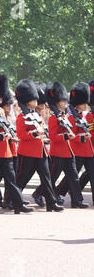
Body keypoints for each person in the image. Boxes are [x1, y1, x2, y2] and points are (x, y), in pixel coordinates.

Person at [0, 74, 33, 214]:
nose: (1, 98)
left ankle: (18, 204)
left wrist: (10, 135)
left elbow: (4, 126)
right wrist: (1, 136)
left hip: (5, 151)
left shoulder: (1, 110)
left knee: (11, 178)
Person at [14, 79, 63, 212]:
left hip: (40, 151)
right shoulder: (21, 117)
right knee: (21, 179)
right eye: (33, 99)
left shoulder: (37, 115)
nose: (36, 101)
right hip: (27, 152)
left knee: (46, 178)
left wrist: (43, 138)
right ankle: (13, 201)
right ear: (26, 100)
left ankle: (51, 203)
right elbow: (21, 134)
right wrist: (34, 135)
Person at [45, 81, 86, 209]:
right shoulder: (53, 118)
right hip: (58, 152)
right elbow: (52, 136)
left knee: (74, 177)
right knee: (52, 178)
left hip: (68, 152)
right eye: (63, 101)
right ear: (57, 102)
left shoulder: (65, 116)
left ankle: (77, 201)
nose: (65, 103)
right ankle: (43, 196)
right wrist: (65, 136)